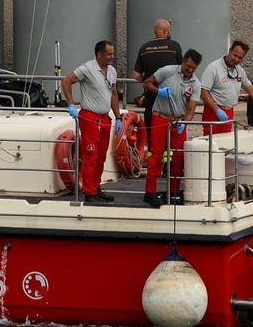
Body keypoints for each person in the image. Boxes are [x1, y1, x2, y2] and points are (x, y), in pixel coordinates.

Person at [60, 40, 123, 203]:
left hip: (104, 118)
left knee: (101, 156)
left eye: (113, 53)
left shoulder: (112, 71)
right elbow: (66, 81)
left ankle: (95, 187)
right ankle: (89, 193)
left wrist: (119, 116)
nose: (112, 57)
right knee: (91, 155)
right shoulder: (87, 68)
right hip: (90, 118)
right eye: (109, 54)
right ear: (99, 54)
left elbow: (114, 94)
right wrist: (71, 104)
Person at [142, 49, 202, 207]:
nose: (189, 70)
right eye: (188, 66)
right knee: (156, 155)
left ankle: (174, 191)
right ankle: (150, 192)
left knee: (178, 158)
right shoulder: (168, 71)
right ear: (183, 62)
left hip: (178, 122)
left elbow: (191, 109)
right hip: (160, 118)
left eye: (193, 68)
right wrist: (158, 91)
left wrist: (185, 123)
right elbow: (147, 83)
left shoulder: (195, 84)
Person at [198, 40, 253, 135]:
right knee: (210, 142)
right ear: (230, 50)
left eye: (240, 58)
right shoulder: (213, 68)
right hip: (213, 112)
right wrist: (217, 110)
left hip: (229, 111)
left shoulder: (239, 71)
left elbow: (252, 91)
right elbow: (203, 92)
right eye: (235, 55)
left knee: (225, 142)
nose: (236, 60)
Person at [132, 19, 182, 158]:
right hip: (170, 99)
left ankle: (151, 160)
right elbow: (182, 70)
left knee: (152, 130)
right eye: (170, 30)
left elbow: (136, 75)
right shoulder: (174, 46)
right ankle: (169, 161)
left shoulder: (144, 48)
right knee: (169, 130)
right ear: (165, 31)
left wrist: (148, 81)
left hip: (151, 96)